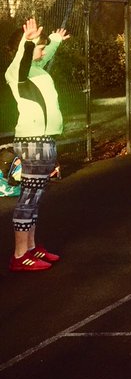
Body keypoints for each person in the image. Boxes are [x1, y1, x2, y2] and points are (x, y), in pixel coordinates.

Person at [4, 18, 67, 272]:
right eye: (37, 47)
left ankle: (30, 248)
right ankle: (20, 255)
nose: (42, 51)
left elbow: (41, 53)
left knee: (36, 197)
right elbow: (25, 58)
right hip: (32, 142)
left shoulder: (38, 70)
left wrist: (54, 41)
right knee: (28, 197)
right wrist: (27, 42)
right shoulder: (17, 73)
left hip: (45, 140)